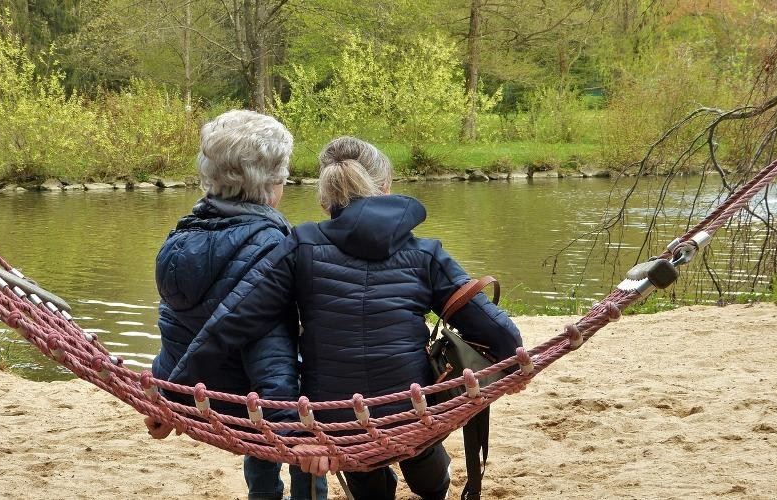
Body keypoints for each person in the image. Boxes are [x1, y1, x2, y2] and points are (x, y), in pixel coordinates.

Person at [170, 136, 523, 500]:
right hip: (411, 413)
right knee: (419, 442)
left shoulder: (300, 244)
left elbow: (235, 320)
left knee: (359, 457)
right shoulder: (426, 253)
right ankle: (434, 485)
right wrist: (514, 364)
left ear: (326, 199)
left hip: (337, 422)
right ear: (385, 187)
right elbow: (497, 331)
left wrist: (171, 395)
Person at [145, 109, 327, 500]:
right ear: (272, 184)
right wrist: (292, 432)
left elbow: (175, 327)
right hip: (251, 401)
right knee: (309, 405)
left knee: (261, 420)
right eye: (284, 175)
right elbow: (270, 349)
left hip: (200, 391)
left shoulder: (179, 240)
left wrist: (166, 394)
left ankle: (262, 492)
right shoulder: (275, 248)